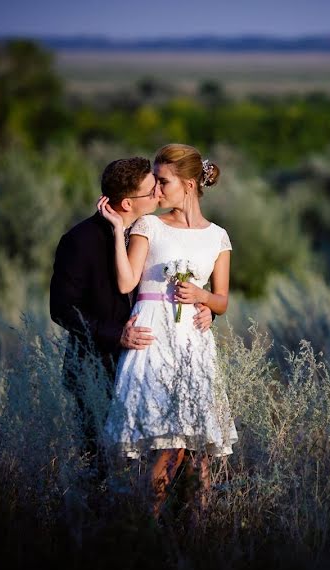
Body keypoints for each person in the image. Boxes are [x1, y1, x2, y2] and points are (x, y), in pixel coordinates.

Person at [99, 143, 238, 521]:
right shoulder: (148, 226)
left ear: (189, 185)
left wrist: (203, 297)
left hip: (193, 342)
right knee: (165, 442)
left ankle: (199, 531)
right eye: (156, 183)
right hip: (154, 338)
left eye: (162, 182)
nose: (155, 191)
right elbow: (127, 282)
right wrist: (117, 231)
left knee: (197, 448)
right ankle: (145, 524)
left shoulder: (217, 237)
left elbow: (222, 300)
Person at [49, 156, 212, 470]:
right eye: (151, 191)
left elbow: (184, 281)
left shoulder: (154, 230)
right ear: (126, 204)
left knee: (160, 456)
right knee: (100, 460)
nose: (159, 195)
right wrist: (115, 335)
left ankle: (153, 517)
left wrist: (207, 309)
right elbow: (62, 309)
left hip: (152, 364)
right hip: (97, 366)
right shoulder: (79, 242)